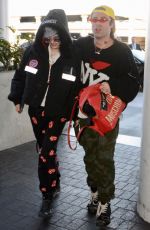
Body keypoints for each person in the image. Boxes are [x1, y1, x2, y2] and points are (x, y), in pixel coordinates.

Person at [8, 9, 81, 218]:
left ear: (64, 35)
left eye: (57, 36)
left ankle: (47, 195)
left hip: (58, 114)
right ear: (43, 34)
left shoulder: (72, 55)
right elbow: (20, 76)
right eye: (48, 36)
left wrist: (73, 114)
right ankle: (54, 178)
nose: (53, 41)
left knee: (45, 153)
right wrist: (17, 98)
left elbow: (77, 86)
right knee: (45, 151)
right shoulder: (32, 52)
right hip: (36, 112)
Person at [73, 5, 140, 227]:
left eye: (103, 19)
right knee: (89, 158)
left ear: (111, 24)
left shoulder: (122, 51)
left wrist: (113, 85)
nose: (98, 23)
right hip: (82, 116)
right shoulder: (81, 45)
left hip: (107, 118)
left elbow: (133, 84)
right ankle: (93, 190)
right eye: (94, 19)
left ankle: (104, 201)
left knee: (105, 159)